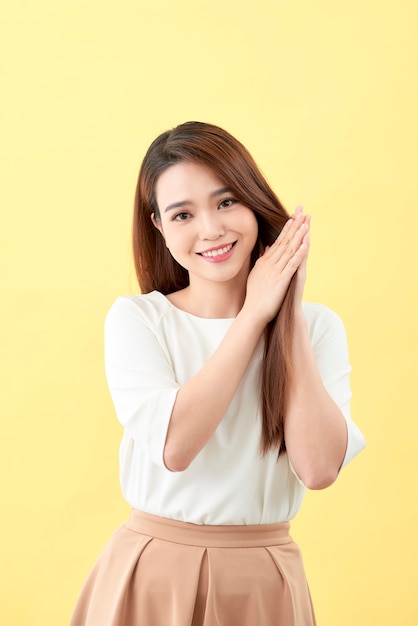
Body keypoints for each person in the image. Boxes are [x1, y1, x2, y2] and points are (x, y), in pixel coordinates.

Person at [70, 121, 365, 626]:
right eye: (183, 214)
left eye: (226, 202)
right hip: (153, 576)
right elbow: (176, 447)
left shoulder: (318, 329)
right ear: (160, 228)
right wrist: (253, 315)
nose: (211, 229)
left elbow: (318, 470)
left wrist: (286, 311)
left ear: (254, 204)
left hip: (264, 582)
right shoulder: (139, 320)